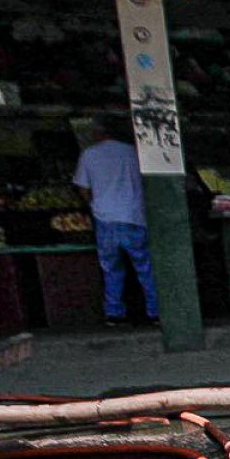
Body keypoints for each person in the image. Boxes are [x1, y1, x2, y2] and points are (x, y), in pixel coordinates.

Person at [73, 114, 158, 327]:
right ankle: (155, 311)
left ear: (99, 132)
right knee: (145, 267)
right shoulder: (134, 154)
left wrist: (94, 204)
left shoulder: (89, 155)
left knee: (111, 268)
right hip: (134, 217)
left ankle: (114, 313)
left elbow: (83, 189)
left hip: (105, 218)